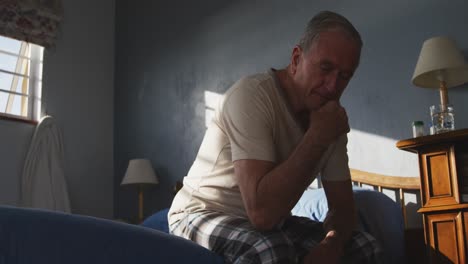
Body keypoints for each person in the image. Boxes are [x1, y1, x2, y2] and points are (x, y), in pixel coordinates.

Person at [168, 10, 382, 264]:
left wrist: (331, 245)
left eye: (344, 76)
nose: (333, 86)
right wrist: (317, 136)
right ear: (296, 59)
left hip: (268, 226)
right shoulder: (253, 96)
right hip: (200, 212)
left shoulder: (330, 120)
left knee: (363, 245)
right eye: (325, 68)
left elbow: (343, 210)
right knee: (271, 249)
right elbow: (261, 213)